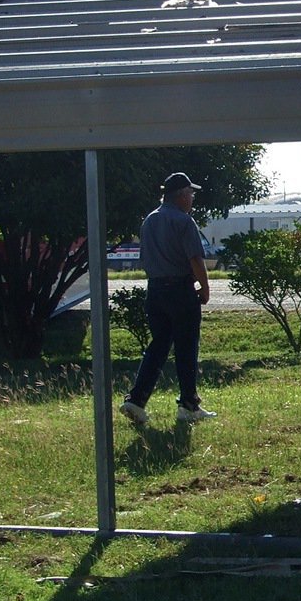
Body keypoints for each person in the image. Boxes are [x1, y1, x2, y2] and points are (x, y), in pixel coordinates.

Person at [119, 172, 216, 425]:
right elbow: (196, 258)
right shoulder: (183, 221)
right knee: (186, 347)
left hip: (155, 290)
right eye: (191, 194)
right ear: (182, 195)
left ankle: (136, 400)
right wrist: (204, 287)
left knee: (158, 345)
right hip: (180, 290)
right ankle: (188, 404)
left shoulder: (149, 220)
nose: (192, 198)